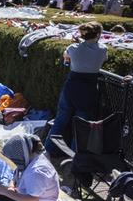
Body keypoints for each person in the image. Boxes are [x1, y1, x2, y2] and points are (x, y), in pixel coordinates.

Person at [45, 22, 107, 154]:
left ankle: (47, 150)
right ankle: (75, 157)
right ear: (98, 35)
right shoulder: (103, 49)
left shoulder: (73, 48)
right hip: (89, 90)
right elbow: (101, 57)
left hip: (72, 87)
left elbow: (66, 56)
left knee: (60, 121)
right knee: (81, 126)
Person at [0, 134, 59, 201]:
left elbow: (33, 200)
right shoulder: (33, 159)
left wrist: (6, 192)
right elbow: (16, 175)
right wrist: (11, 187)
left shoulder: (37, 170)